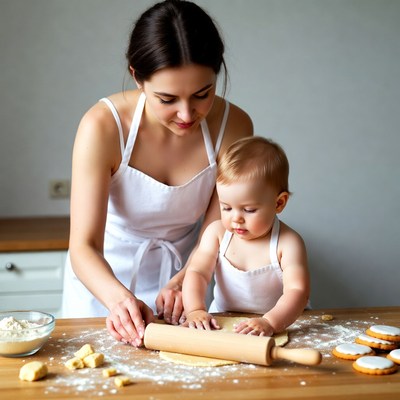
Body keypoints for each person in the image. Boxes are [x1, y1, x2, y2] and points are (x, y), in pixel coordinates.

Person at [61, 0, 253, 347]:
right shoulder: (103, 127)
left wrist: (188, 279)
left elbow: (219, 226)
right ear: (137, 76)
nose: (186, 113)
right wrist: (119, 301)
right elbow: (83, 246)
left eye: (202, 94)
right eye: (167, 98)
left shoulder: (233, 126)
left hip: (184, 286)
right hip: (102, 288)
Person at [182, 136, 309, 336]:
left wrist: (270, 322)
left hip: (281, 323)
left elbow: (297, 291)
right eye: (226, 207)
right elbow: (197, 272)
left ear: (279, 203)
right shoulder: (216, 233)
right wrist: (195, 310)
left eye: (248, 210)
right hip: (225, 322)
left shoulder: (288, 243)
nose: (236, 219)